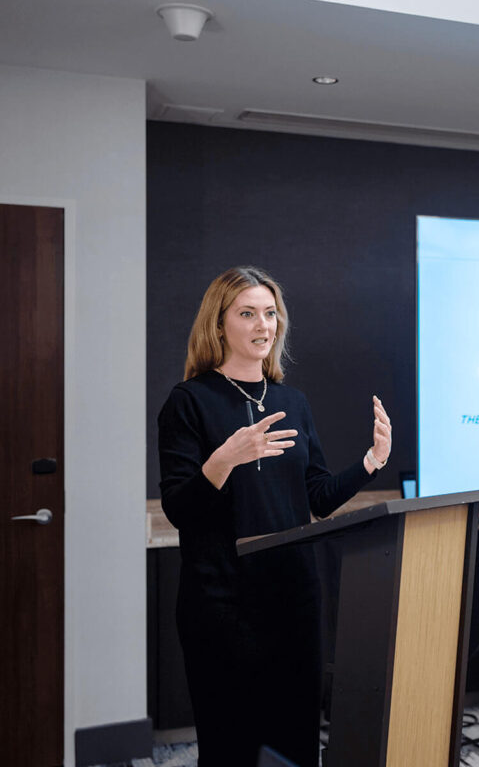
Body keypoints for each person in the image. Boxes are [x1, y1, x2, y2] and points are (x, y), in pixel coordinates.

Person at [157, 265, 392, 767]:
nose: (263, 325)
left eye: (270, 313)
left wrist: (372, 463)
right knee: (232, 745)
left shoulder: (292, 402)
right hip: (222, 602)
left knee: (296, 741)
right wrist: (225, 458)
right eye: (247, 314)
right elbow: (181, 509)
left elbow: (319, 496)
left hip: (293, 596)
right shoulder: (189, 402)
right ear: (219, 325)